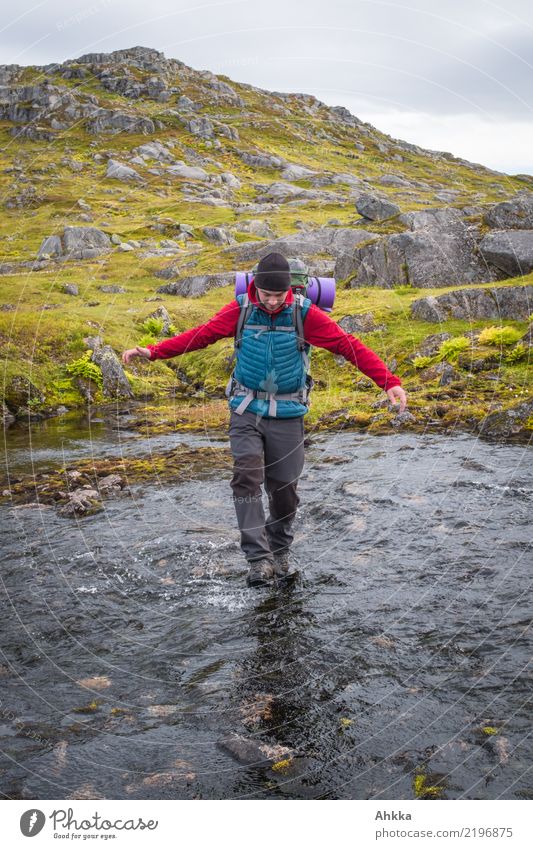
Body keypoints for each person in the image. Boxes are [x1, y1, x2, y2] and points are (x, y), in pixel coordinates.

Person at [122, 252, 407, 587]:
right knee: (246, 476)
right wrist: (154, 351)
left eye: (278, 296)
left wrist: (389, 382)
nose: (271, 302)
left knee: (284, 489)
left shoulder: (305, 315)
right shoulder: (241, 309)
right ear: (255, 287)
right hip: (245, 410)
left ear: (289, 290)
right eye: (266, 294)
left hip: (288, 414)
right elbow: (201, 335)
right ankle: (258, 559)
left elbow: (348, 346)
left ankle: (280, 549)